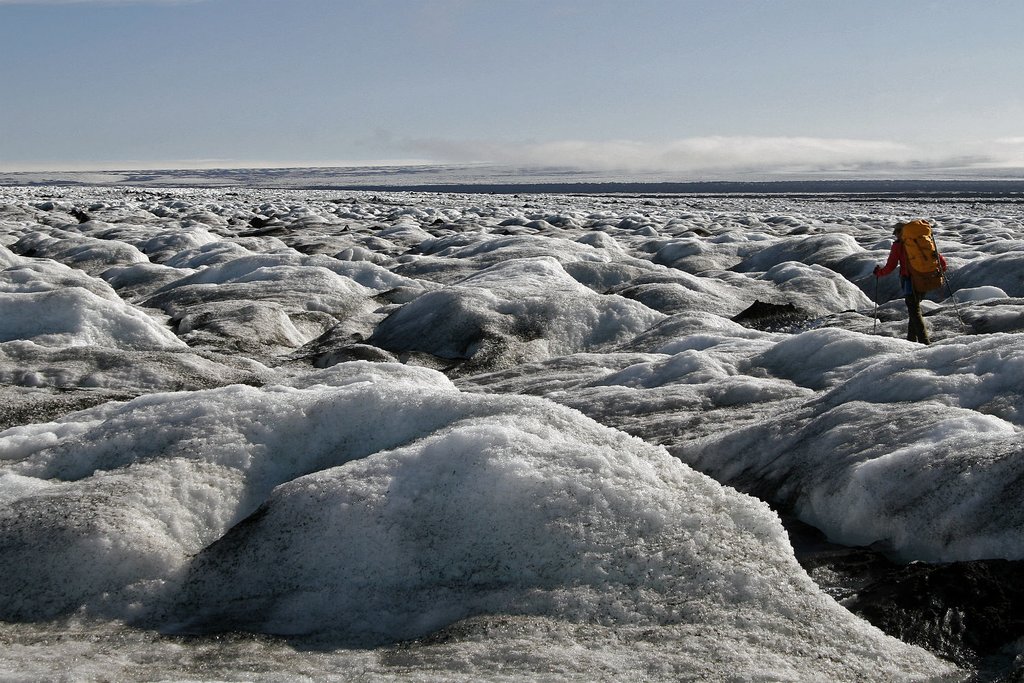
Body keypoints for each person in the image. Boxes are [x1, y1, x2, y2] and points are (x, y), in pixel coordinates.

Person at [873, 222, 947, 344]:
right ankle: (911, 340)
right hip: (924, 279)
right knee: (914, 309)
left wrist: (878, 273)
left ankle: (925, 342)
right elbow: (941, 261)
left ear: (899, 232)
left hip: (909, 282)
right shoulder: (921, 241)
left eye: (896, 233)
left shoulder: (899, 245)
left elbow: (891, 266)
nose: (895, 236)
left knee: (914, 311)